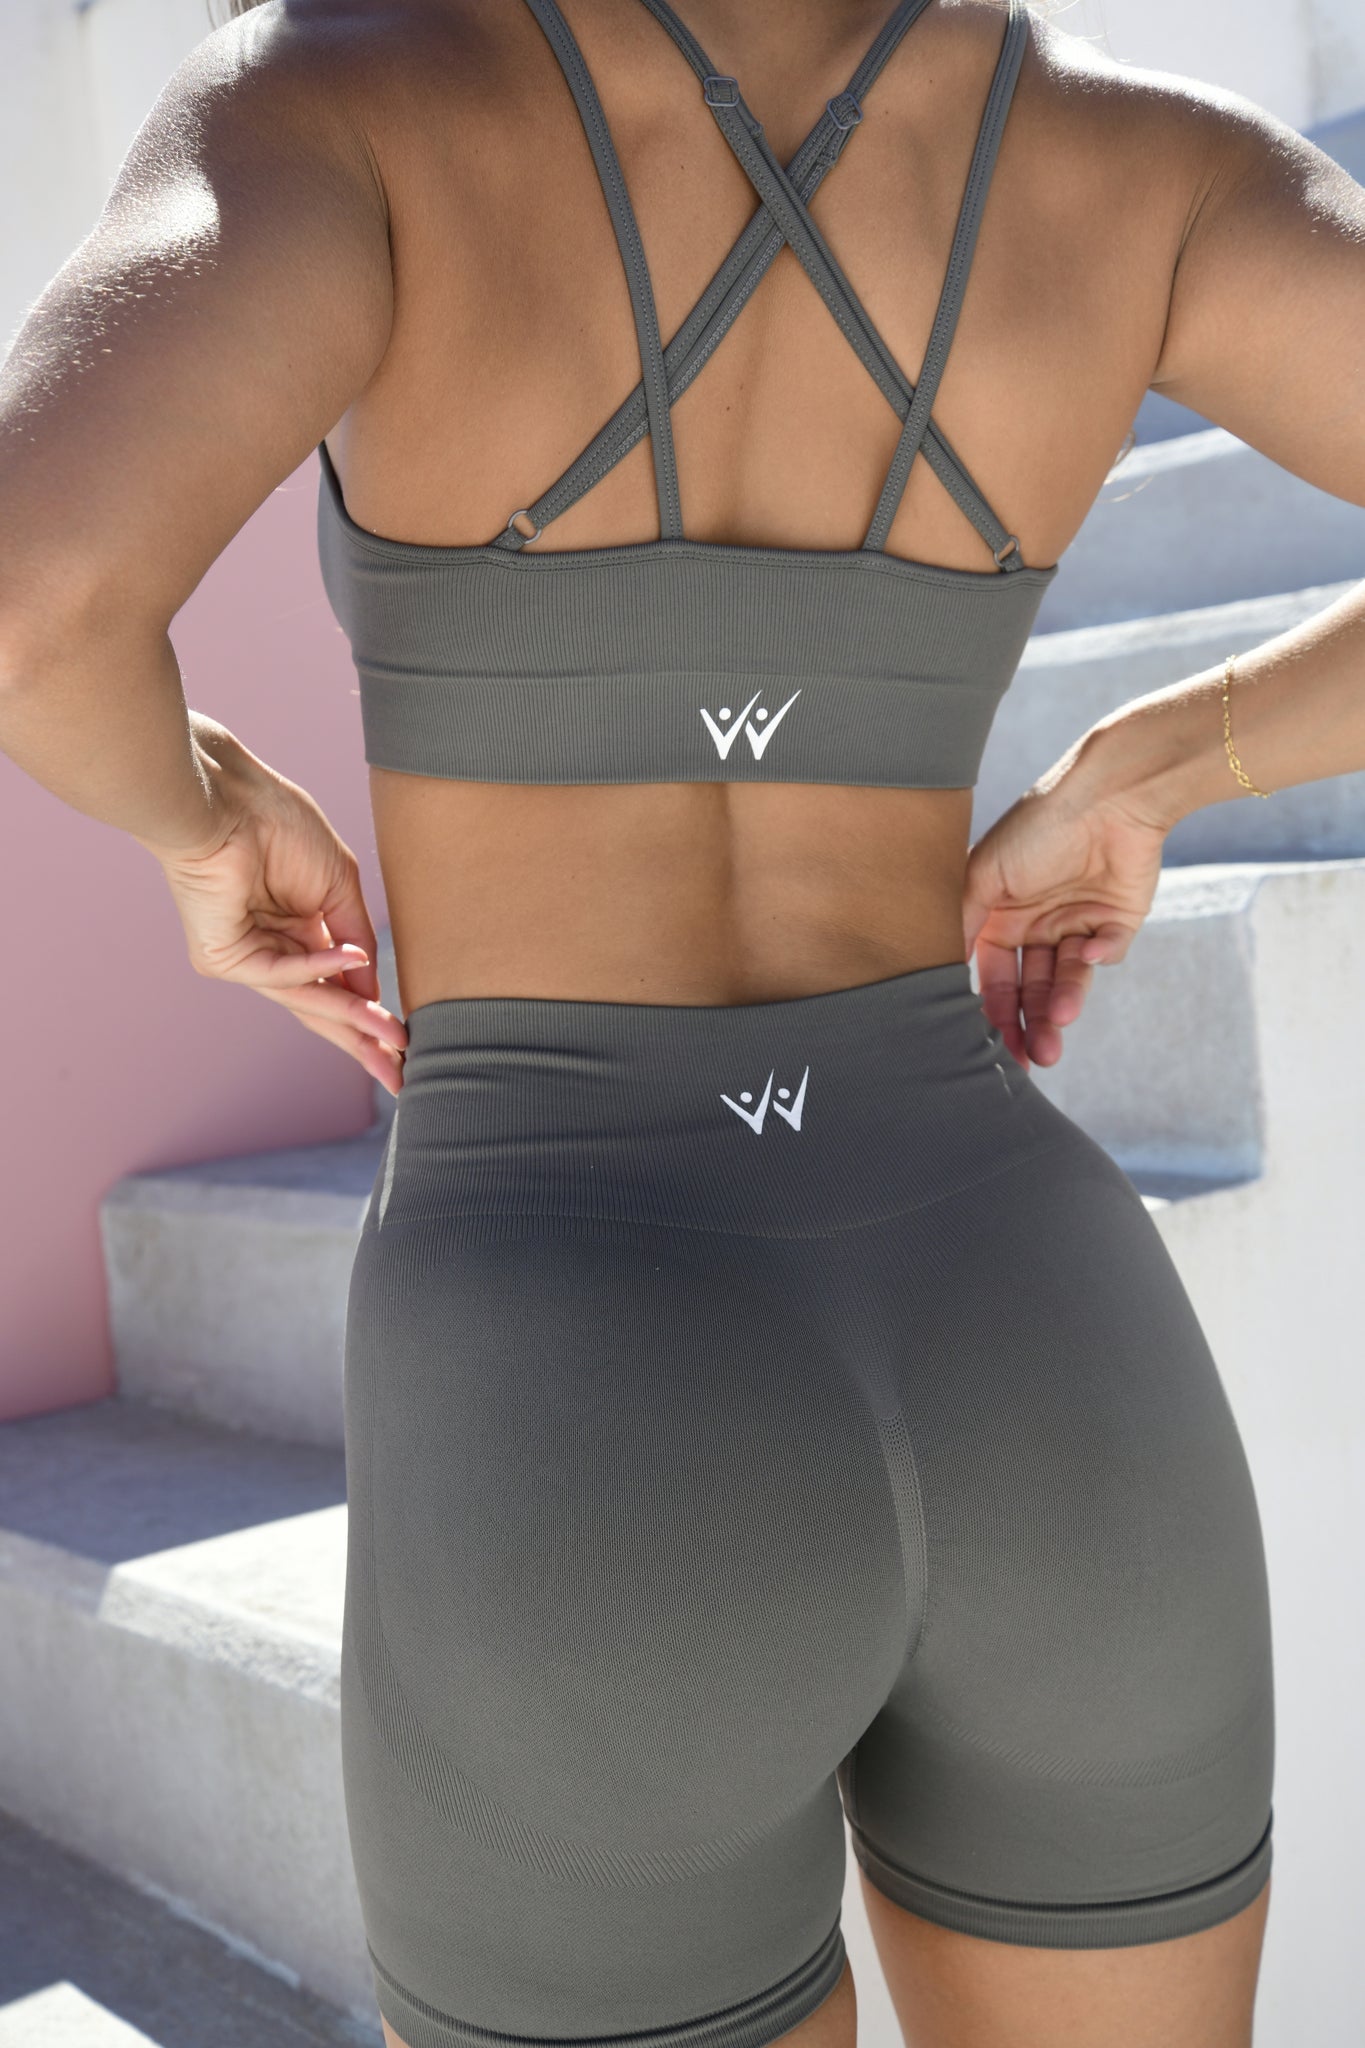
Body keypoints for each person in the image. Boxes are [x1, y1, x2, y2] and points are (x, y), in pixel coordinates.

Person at [2, 0, 1364, 2043]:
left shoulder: (347, 91)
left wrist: (204, 821)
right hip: (1038, 1339)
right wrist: (1163, 762)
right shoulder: (1146, 165)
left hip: (571, 1387)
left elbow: (34, 608)